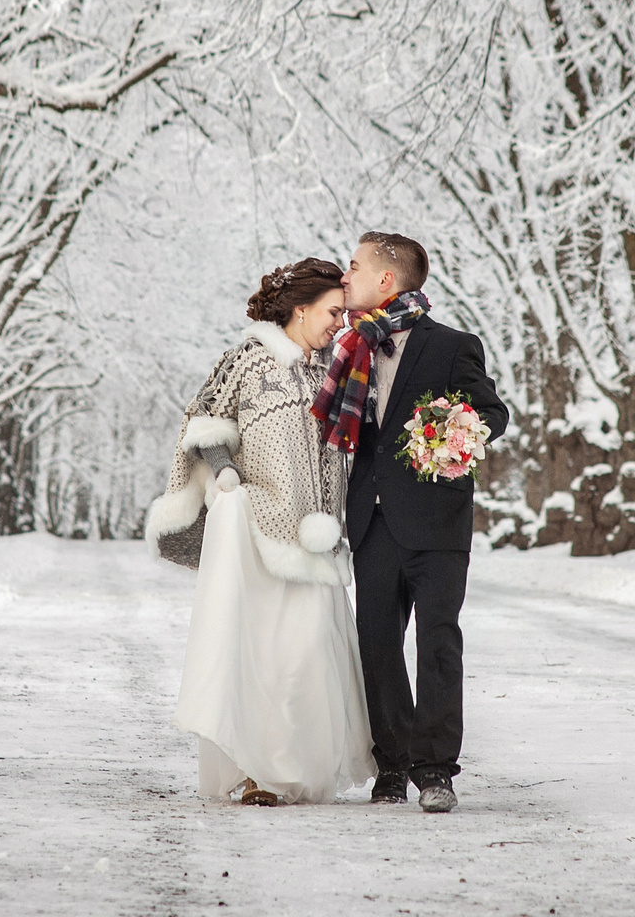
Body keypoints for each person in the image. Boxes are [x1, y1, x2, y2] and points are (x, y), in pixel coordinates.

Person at [147, 257, 375, 805]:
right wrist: (225, 470)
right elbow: (203, 422)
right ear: (300, 309)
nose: (338, 323)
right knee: (263, 657)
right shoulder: (248, 360)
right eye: (331, 312)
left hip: (316, 533)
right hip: (258, 530)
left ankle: (296, 768)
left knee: (308, 655)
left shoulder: (337, 365)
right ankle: (260, 775)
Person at [316, 231, 509, 814]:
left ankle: (435, 770)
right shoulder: (352, 349)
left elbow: (493, 414)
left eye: (353, 266)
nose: (344, 276)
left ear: (386, 280)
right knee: (376, 646)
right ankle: (393, 765)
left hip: (437, 524)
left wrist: (452, 431)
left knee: (438, 645)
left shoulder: (452, 346)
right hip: (372, 523)